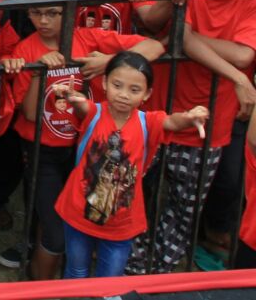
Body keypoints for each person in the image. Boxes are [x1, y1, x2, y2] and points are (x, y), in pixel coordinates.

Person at [8, 0, 165, 280]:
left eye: (54, 12)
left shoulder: (88, 38)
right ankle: (41, 286)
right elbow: (28, 113)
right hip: (44, 151)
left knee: (80, 221)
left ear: (70, 11)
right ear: (27, 13)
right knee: (53, 228)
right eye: (37, 12)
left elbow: (154, 47)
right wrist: (40, 72)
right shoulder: (25, 49)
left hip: (90, 150)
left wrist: (109, 62)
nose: (44, 20)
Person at [127, 0, 256, 275]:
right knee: (133, 192)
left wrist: (187, 36)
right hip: (157, 113)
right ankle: (128, 266)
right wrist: (171, 2)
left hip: (208, 123)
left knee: (184, 209)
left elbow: (244, 55)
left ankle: (160, 274)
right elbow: (155, 22)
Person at [57, 52, 209, 278]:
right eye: (117, 85)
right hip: (79, 211)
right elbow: (81, 106)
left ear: (147, 94)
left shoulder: (148, 122)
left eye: (134, 90)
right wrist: (70, 97)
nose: (124, 95)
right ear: (105, 83)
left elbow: (172, 121)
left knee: (110, 284)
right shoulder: (94, 112)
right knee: (75, 273)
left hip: (122, 222)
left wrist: (191, 116)